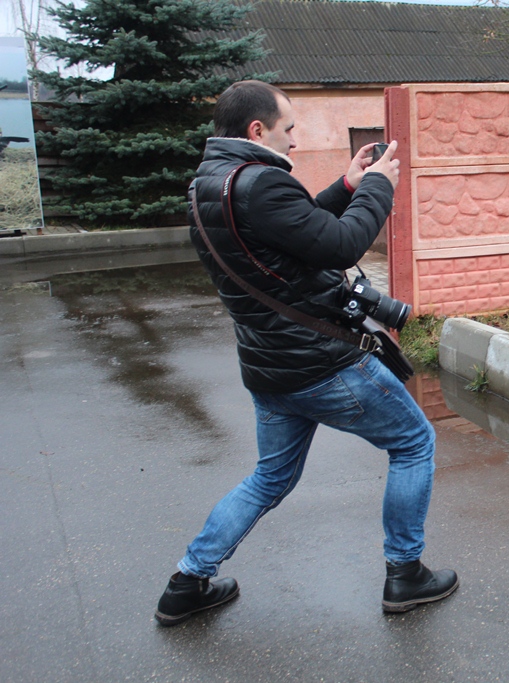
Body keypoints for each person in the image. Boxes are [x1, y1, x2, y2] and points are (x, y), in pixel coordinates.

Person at [155, 80, 458, 626]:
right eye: (288, 129)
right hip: (322, 364)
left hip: (270, 369)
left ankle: (187, 582)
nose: (294, 140)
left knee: (269, 478)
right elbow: (339, 245)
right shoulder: (262, 183)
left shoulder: (214, 183)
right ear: (257, 130)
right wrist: (379, 189)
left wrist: (347, 184)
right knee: (415, 443)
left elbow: (301, 232)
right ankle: (404, 573)